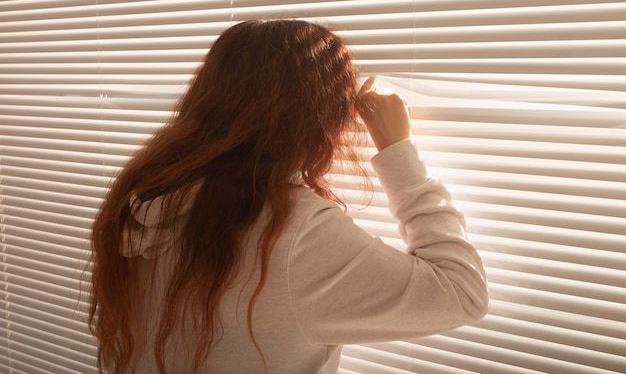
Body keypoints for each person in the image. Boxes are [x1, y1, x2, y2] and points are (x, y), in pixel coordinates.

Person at [89, 19, 489, 374]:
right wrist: (398, 150)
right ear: (322, 114)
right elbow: (462, 293)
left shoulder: (149, 195)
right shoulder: (294, 233)